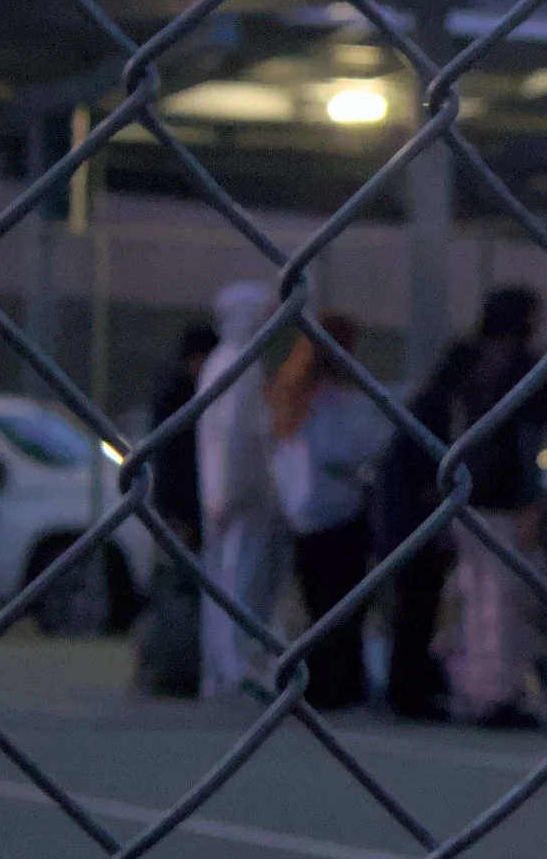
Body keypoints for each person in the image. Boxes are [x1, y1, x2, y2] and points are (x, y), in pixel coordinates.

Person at [268, 314, 392, 710]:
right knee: (342, 605)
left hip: (303, 515)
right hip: (339, 511)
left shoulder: (292, 394)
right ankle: (339, 684)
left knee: (318, 603)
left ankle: (321, 682)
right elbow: (360, 446)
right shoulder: (334, 399)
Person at [447, 287, 547, 729]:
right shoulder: (525, 366)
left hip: (466, 493)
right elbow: (528, 439)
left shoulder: (467, 361)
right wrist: (533, 499)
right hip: (506, 498)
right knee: (508, 597)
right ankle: (502, 689)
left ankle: (478, 687)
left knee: (477, 594)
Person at [374, 339, 477, 721]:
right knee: (416, 607)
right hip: (413, 524)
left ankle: (410, 687)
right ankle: (408, 691)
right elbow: (423, 471)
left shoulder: (428, 402)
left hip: (405, 521)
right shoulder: (436, 407)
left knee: (414, 608)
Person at [195, 281, 282, 700]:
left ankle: (223, 666)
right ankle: (236, 666)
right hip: (240, 494)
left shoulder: (222, 362)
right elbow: (235, 438)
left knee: (226, 581)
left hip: (226, 492)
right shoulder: (239, 366)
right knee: (241, 582)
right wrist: (228, 492)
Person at [133, 323, 218, 698]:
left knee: (176, 591)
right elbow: (175, 464)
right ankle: (168, 670)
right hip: (179, 513)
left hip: (179, 511)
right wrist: (177, 514)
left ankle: (166, 669)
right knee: (177, 593)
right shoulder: (181, 397)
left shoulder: (178, 393)